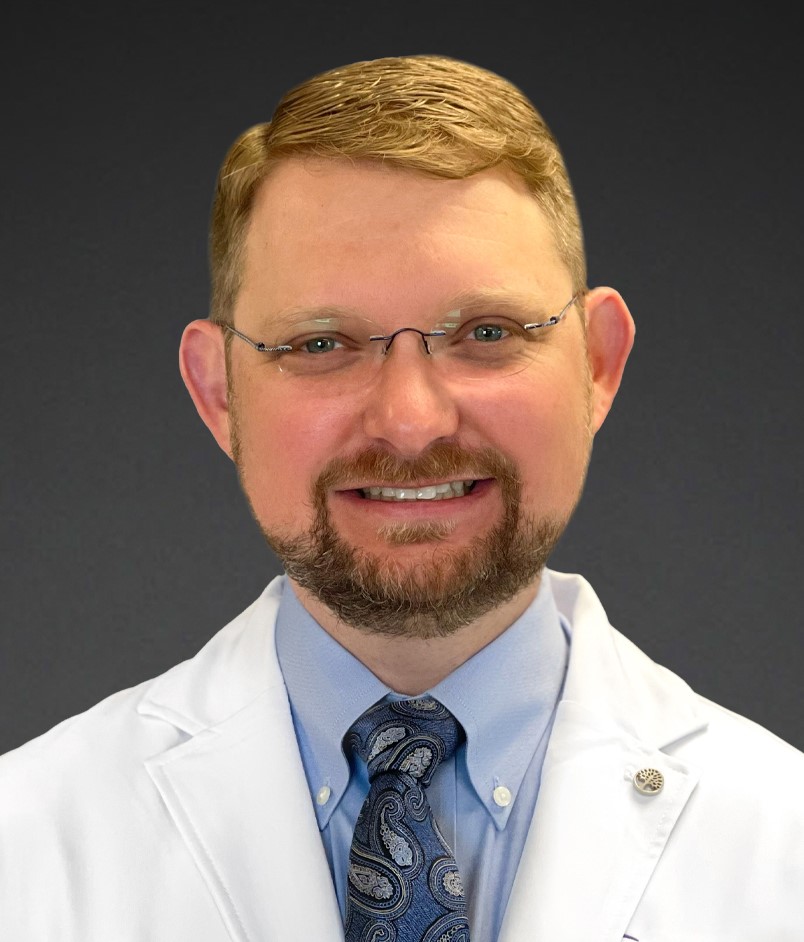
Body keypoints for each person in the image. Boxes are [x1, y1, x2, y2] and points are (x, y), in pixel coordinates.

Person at [1, 54, 802, 942]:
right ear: (220, 391)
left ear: (597, 363)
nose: (411, 421)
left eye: (487, 333)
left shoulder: (781, 848)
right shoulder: (26, 846)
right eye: (321, 343)